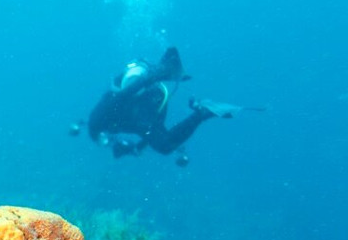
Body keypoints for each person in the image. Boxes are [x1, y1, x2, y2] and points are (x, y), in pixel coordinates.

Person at [85, 47, 254, 163]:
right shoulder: (128, 125)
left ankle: (198, 110)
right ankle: (202, 112)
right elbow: (148, 134)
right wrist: (134, 148)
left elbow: (121, 97)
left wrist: (156, 75)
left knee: (162, 142)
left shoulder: (97, 120)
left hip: (141, 96)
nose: (108, 141)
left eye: (105, 141)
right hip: (147, 105)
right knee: (165, 145)